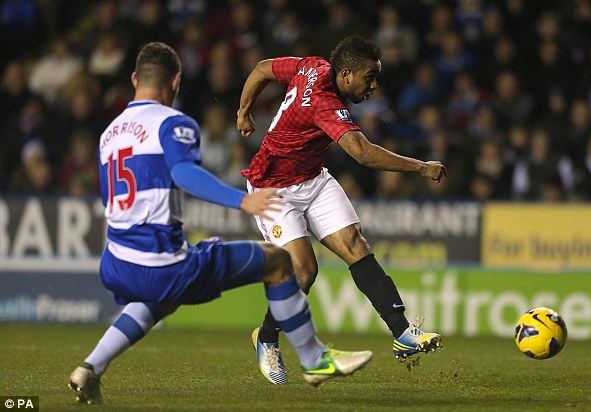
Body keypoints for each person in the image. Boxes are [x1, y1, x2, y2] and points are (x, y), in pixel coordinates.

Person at [68, 42, 372, 404]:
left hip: (117, 261)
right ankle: (313, 358)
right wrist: (241, 199)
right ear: (176, 81)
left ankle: (90, 367)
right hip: (162, 263)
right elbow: (184, 174)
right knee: (277, 262)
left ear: (135, 79)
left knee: (156, 302)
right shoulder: (173, 123)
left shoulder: (110, 133)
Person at [236, 35, 445, 385]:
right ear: (346, 74)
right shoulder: (325, 103)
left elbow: (261, 69)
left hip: (312, 179)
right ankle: (267, 337)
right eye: (369, 77)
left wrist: (243, 111)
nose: (374, 86)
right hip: (271, 188)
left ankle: (402, 333)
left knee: (355, 245)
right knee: (304, 272)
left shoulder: (312, 65)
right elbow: (362, 153)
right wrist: (421, 167)